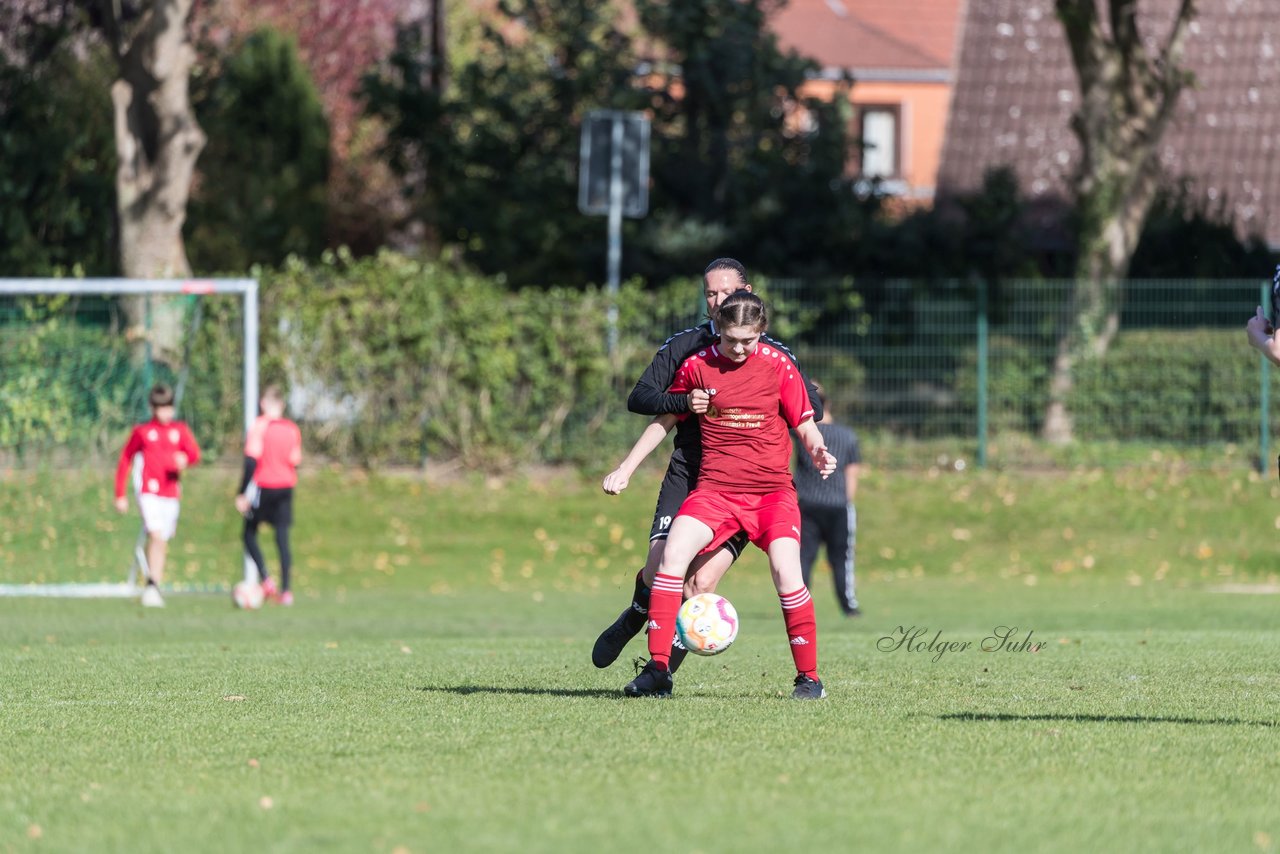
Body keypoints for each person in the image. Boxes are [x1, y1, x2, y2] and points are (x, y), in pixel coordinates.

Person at [591, 258, 823, 673]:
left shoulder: (768, 352)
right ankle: (635, 615)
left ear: (746, 295)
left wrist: (809, 430)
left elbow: (809, 409)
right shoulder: (688, 349)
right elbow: (641, 399)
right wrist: (684, 402)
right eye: (710, 294)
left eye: (725, 293)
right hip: (692, 472)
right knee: (661, 565)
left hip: (748, 481)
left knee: (700, 584)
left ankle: (658, 672)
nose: (717, 301)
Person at [113, 383, 202, 608]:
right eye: (161, 408)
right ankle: (151, 586)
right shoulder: (142, 432)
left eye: (169, 408)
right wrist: (120, 494)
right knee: (156, 534)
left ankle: (155, 584)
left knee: (162, 540)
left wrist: (185, 459)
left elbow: (194, 454)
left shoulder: (179, 430)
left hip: (171, 492)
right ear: (153, 408)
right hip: (148, 491)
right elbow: (125, 459)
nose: (166, 412)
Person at [792, 381, 862, 617]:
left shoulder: (801, 435)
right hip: (837, 506)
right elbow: (851, 473)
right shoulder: (848, 436)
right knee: (841, 559)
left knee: (804, 558)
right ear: (828, 403)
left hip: (807, 504)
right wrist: (846, 500)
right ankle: (848, 606)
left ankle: (798, 606)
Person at [235, 385, 303, 606]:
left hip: (265, 486)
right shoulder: (292, 429)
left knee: (248, 534)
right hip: (286, 487)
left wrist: (242, 493)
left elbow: (251, 461)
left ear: (263, 403)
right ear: (281, 405)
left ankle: (266, 579)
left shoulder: (259, 426)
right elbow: (295, 461)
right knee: (282, 538)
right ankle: (286, 591)